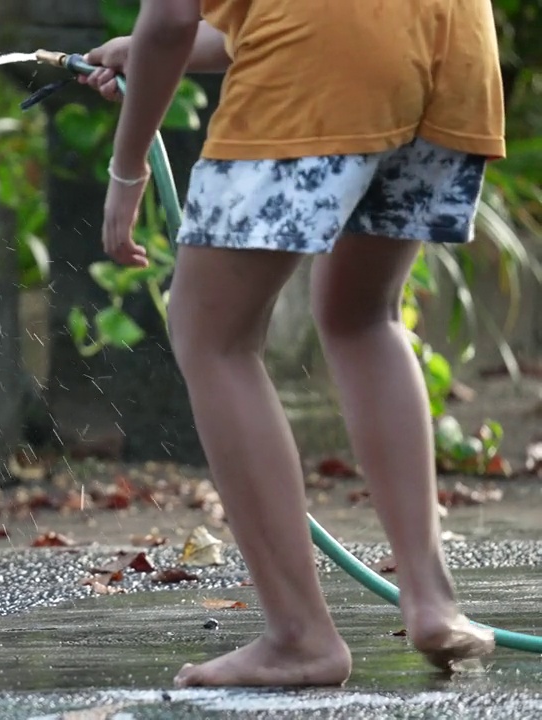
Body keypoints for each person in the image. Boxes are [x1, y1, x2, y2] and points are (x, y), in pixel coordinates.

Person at [79, 0, 504, 688]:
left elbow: (169, 18)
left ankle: (299, 636)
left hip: (327, 61)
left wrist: (126, 172)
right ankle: (433, 602)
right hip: (452, 53)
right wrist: (156, 48)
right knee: (364, 316)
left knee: (211, 335)